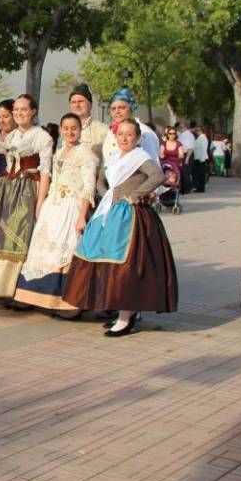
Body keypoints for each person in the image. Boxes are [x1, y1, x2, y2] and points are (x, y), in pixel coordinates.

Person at [64, 118, 177, 336]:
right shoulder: (115, 157)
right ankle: (122, 311)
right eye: (121, 134)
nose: (124, 138)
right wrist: (106, 190)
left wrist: (135, 195)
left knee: (126, 267)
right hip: (110, 212)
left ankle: (126, 316)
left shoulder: (140, 157)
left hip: (130, 217)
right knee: (101, 258)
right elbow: (101, 179)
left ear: (137, 138)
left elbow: (157, 176)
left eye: (129, 134)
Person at [14, 112, 97, 317]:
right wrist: (43, 204)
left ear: (80, 130)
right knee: (44, 250)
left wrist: (81, 216)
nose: (70, 132)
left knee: (67, 251)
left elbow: (88, 187)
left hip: (72, 206)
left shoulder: (86, 155)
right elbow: (53, 180)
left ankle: (69, 303)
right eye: (66, 128)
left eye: (74, 128)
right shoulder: (58, 152)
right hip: (54, 205)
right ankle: (40, 298)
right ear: (61, 130)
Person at [0, 93, 52, 302]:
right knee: (2, 237)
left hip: (29, 189)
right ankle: (5, 288)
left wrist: (41, 200)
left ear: (33, 111)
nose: (18, 113)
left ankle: (22, 292)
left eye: (23, 110)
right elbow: (8, 163)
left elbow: (45, 171)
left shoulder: (42, 136)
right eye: (16, 110)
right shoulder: (13, 136)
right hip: (8, 188)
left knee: (23, 238)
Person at [101, 89, 160, 165]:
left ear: (131, 108)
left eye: (121, 107)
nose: (117, 111)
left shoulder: (145, 132)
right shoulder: (110, 133)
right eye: (113, 109)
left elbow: (154, 165)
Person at [67, 84, 109, 163]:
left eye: (81, 101)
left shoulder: (103, 130)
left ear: (90, 104)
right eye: (73, 102)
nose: (77, 105)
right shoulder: (64, 130)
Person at [177, 122, 195, 193]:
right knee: (183, 172)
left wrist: (187, 158)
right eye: (180, 127)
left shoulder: (188, 135)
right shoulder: (183, 135)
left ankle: (189, 187)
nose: (180, 129)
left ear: (185, 127)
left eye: (181, 127)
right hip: (183, 154)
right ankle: (184, 187)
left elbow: (190, 148)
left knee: (185, 172)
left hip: (187, 154)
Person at [191, 124, 209, 192]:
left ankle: (200, 188)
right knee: (199, 174)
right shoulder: (199, 138)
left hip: (201, 159)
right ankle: (199, 187)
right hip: (198, 158)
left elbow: (203, 149)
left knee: (200, 174)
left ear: (202, 131)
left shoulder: (203, 138)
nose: (197, 132)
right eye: (196, 130)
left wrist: (202, 159)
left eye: (198, 130)